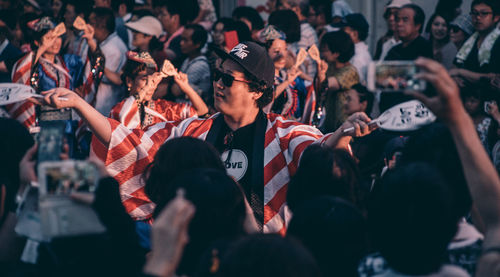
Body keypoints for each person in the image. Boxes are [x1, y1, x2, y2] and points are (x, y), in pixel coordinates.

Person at [31, 41, 374, 234]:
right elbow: (132, 143)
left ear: (257, 91)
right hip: (196, 256)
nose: (219, 84)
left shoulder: (284, 133)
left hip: (258, 260)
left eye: (229, 79)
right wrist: (77, 104)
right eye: (218, 76)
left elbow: (318, 153)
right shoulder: (194, 130)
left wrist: (343, 135)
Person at [6, 16, 104, 129]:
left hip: (69, 124)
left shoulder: (70, 62)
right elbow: (23, 75)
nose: (55, 42)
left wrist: (91, 41)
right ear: (37, 42)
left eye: (58, 37)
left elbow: (92, 71)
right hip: (45, 125)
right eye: (50, 37)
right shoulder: (33, 64)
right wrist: (42, 48)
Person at [108, 51, 208, 129]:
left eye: (153, 80)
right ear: (129, 81)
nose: (151, 85)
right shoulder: (119, 110)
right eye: (145, 79)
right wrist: (145, 89)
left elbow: (202, 111)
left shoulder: (165, 109)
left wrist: (185, 86)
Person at [260, 25, 311, 123]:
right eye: (277, 51)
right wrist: (287, 82)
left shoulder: (284, 75)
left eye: (285, 49)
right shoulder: (263, 78)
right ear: (265, 53)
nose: (283, 56)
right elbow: (265, 101)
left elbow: (311, 87)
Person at [315, 30, 359, 132]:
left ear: (336, 53)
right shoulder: (330, 67)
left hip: (346, 127)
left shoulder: (350, 71)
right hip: (330, 126)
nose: (322, 54)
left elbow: (326, 85)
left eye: (325, 50)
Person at [451, 0, 500, 88]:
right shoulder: (470, 40)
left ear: (496, 17)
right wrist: (455, 77)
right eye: (474, 13)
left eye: (484, 13)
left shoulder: (498, 41)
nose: (477, 17)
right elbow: (454, 68)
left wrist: (460, 72)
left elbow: (493, 78)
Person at [88, 7, 128, 116]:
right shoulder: (102, 43)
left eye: (91, 23)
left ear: (101, 26)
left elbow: (105, 77)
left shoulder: (113, 48)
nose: (88, 26)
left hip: (106, 104)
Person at [153, 0, 199, 68]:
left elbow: (159, 60)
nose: (159, 18)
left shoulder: (181, 38)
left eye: (163, 14)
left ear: (174, 18)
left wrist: (144, 49)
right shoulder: (163, 37)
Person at [173, 24, 211, 103]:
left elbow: (177, 90)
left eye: (185, 40)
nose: (181, 43)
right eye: (181, 39)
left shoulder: (200, 65)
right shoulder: (188, 59)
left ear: (198, 44)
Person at [341, 13, 373, 83]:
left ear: (355, 34)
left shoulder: (359, 58)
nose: (339, 35)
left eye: (342, 31)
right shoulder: (352, 53)